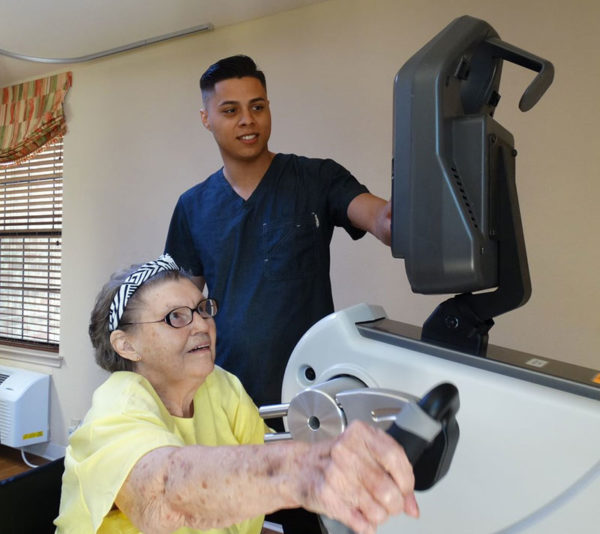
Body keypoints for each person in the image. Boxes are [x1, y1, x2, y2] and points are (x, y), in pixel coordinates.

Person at [54, 254, 419, 534]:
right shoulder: (116, 406)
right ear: (127, 345)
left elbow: (257, 457)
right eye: (175, 317)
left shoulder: (220, 386)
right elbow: (161, 492)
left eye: (202, 309)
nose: (201, 324)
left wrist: (365, 450)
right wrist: (306, 471)